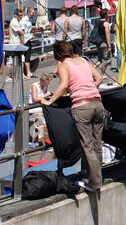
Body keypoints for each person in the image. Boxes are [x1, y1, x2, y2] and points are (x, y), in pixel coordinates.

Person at [40, 41, 105, 193]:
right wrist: (88, 90)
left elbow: (63, 85)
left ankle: (94, 183)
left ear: (58, 54)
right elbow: (99, 78)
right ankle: (97, 177)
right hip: (97, 103)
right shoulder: (83, 60)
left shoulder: (63, 64)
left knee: (87, 146)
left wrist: (49, 100)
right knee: (97, 144)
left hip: (81, 107)